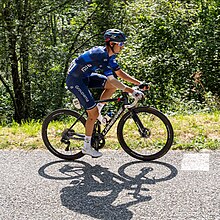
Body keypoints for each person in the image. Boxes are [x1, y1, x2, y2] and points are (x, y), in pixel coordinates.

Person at [66, 29, 147, 158]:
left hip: (85, 76)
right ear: (112, 44)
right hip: (75, 80)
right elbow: (113, 79)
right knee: (92, 115)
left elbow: (119, 73)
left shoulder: (110, 56)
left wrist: (138, 83)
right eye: (120, 44)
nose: (122, 46)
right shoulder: (101, 55)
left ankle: (97, 110)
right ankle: (87, 146)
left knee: (111, 87)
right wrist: (131, 91)